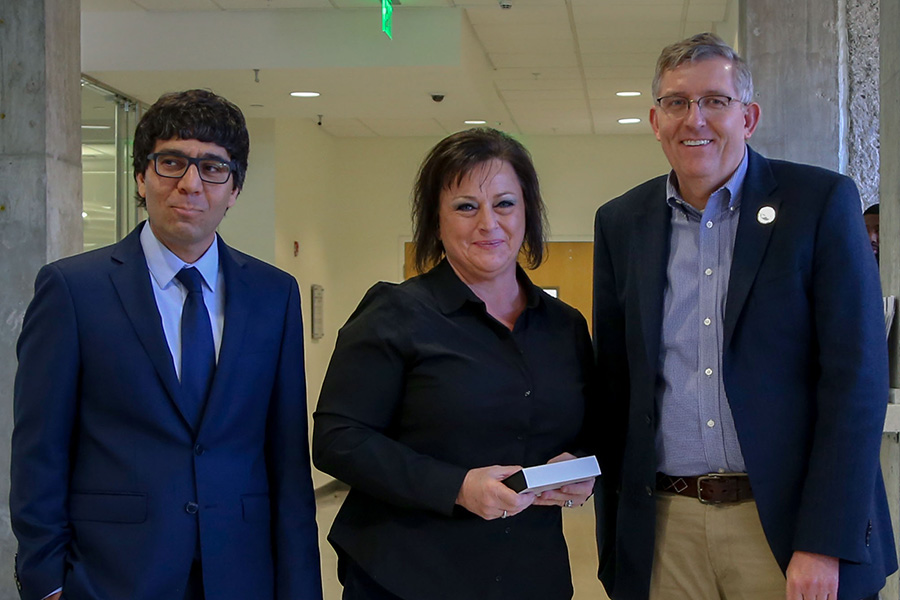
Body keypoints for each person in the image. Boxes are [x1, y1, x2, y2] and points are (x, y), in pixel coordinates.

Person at [592, 33, 896, 600]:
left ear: (748, 116)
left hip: (786, 527)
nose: (694, 119)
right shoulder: (620, 223)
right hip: (666, 527)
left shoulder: (820, 202)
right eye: (677, 102)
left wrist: (824, 540)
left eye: (715, 100)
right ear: (655, 120)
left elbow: (855, 382)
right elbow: (615, 382)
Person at [10, 89, 322, 600]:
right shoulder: (74, 290)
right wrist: (46, 583)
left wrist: (301, 587)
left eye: (213, 168)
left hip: (241, 574)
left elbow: (286, 459)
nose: (190, 184)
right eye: (171, 162)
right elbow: (39, 451)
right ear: (141, 176)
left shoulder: (274, 295)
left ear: (235, 188)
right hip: (113, 574)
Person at [313, 127, 595, 600]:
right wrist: (456, 487)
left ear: (528, 212)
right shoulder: (395, 313)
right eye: (466, 206)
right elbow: (339, 440)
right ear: (436, 221)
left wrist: (581, 470)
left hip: (530, 574)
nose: (489, 223)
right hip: (410, 575)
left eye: (505, 204)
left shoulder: (564, 327)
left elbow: (591, 427)